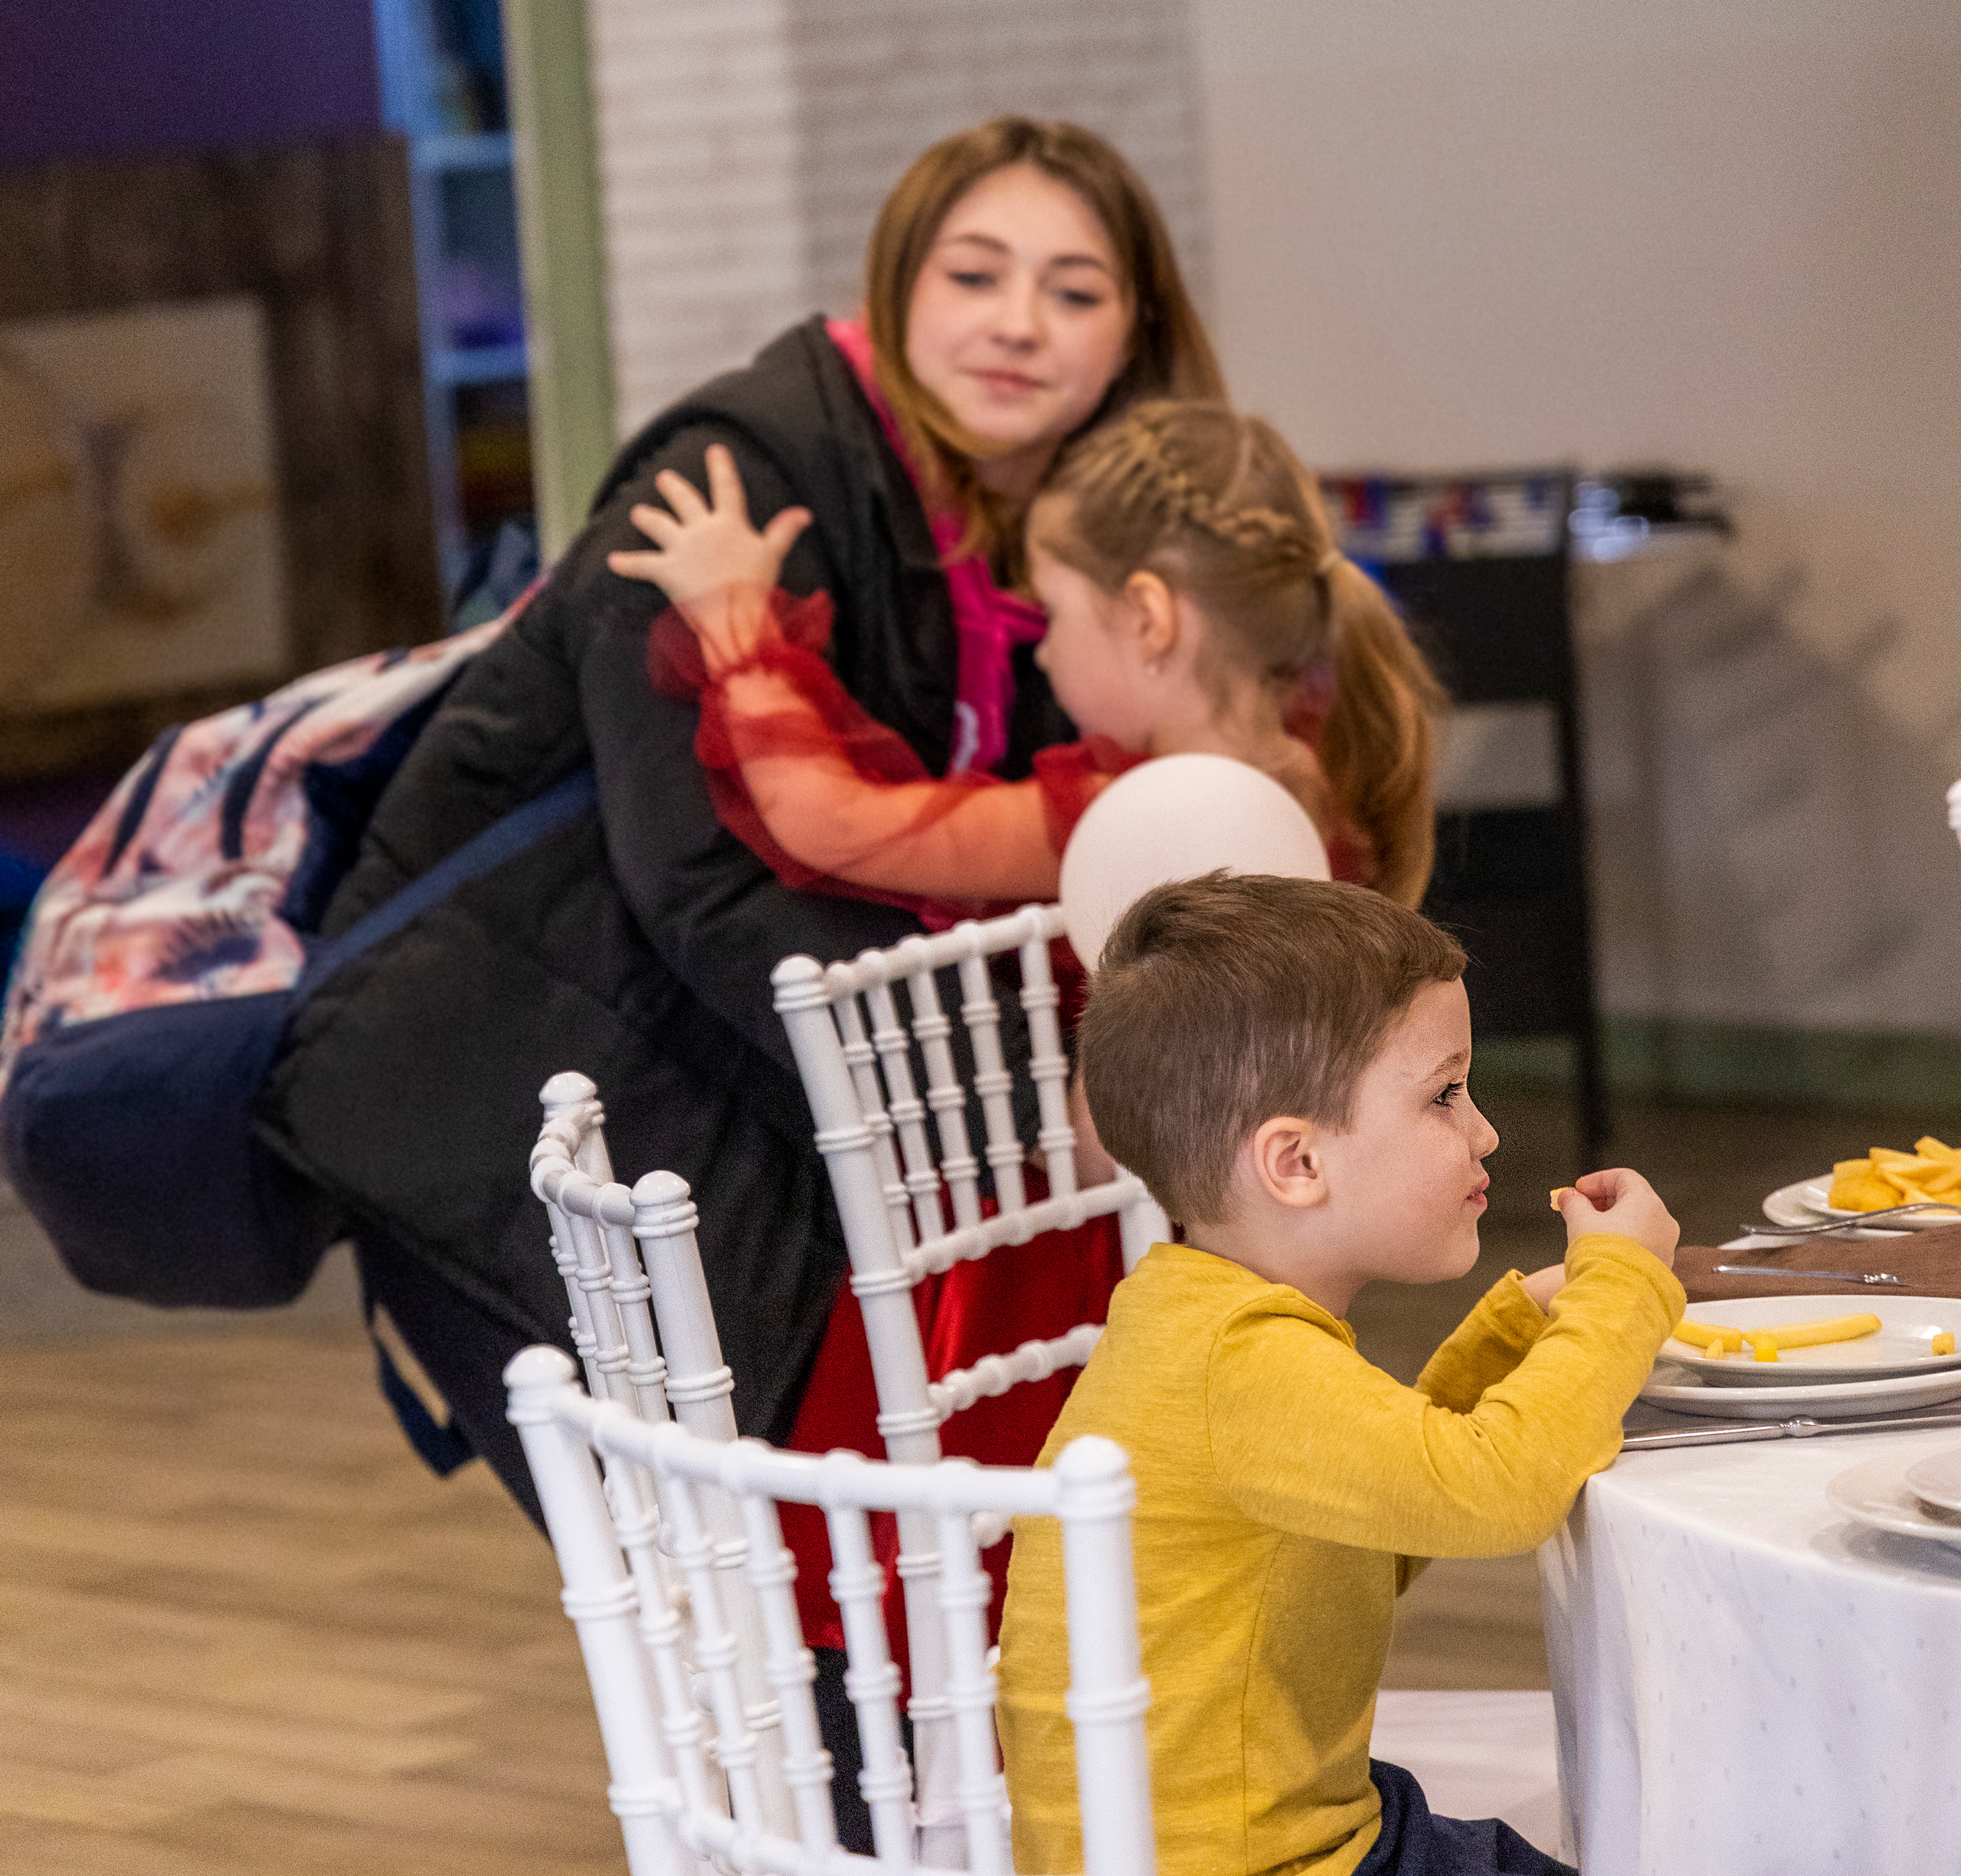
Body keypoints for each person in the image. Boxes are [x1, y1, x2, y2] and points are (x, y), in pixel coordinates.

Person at [256, 117, 1218, 1843]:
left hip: (695, 1101)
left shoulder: (1009, 522)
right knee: (750, 1634)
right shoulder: (738, 475)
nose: (1016, 324)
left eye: (1072, 290)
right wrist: (985, 1121)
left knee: (830, 1626)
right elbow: (695, 878)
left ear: (1134, 328)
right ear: (894, 286)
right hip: (494, 1094)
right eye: (972, 274)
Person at [995, 873, 1684, 1876]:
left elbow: (1375, 1529)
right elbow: (1497, 1495)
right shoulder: (1242, 1358)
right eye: (1444, 1094)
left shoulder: (1203, 1316)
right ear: (1296, 1164)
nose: (1485, 1130)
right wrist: (1623, 1284)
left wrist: (1508, 1341)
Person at [606, 399, 1445, 912]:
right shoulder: (1305, 765)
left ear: (1150, 619)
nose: (1040, 656)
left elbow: (835, 825)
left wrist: (737, 627)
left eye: (1052, 614)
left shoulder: (1144, 814)